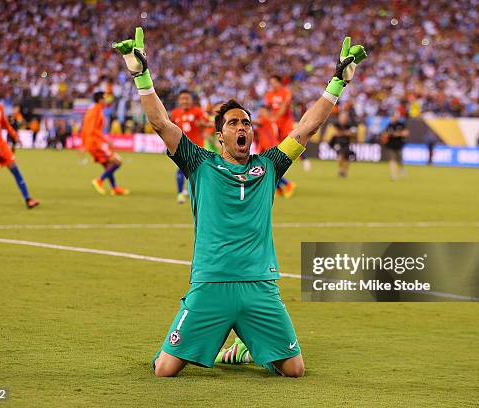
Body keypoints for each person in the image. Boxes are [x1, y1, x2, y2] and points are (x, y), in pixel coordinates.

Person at [114, 27, 366, 377]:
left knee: (295, 370)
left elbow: (305, 128)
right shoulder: (199, 163)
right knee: (164, 370)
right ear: (220, 137)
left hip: (259, 285)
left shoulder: (270, 166)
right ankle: (214, 340)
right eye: (233, 123)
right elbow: (160, 123)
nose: (241, 126)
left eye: (246, 122)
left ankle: (242, 350)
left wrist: (337, 83)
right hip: (211, 283)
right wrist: (141, 76)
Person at [82, 91, 129, 196]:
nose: (106, 100)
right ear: (100, 100)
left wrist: (84, 144)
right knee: (117, 162)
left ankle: (114, 188)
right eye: (105, 98)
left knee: (108, 165)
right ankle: (99, 180)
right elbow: (93, 130)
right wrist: (106, 140)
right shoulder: (96, 111)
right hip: (95, 143)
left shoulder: (94, 110)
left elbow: (86, 128)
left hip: (92, 142)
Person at [170, 90, 210, 204]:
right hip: (182, 147)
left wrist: (202, 124)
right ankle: (180, 194)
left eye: (187, 98)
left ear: (191, 100)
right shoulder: (175, 113)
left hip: (197, 148)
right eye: (182, 98)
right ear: (179, 100)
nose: (185, 101)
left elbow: (208, 123)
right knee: (181, 169)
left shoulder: (198, 111)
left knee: (196, 172)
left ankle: (192, 192)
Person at [264, 77, 297, 196]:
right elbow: (267, 109)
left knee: (276, 158)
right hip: (273, 128)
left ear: (279, 82)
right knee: (272, 158)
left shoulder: (286, 92)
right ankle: (278, 185)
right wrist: (270, 119)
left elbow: (284, 107)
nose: (272, 84)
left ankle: (283, 184)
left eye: (273, 82)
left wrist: (274, 118)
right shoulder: (268, 94)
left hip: (285, 128)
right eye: (270, 82)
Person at [254, 106, 294, 197]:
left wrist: (241, 119)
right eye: (260, 111)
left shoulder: (265, 120)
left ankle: (288, 184)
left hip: (271, 149)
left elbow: (256, 122)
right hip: (270, 148)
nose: (260, 113)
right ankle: (278, 189)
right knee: (269, 171)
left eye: (262, 111)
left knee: (268, 171)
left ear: (268, 112)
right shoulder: (270, 122)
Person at [329, 108, 358, 178]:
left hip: (346, 143)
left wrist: (342, 133)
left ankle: (343, 171)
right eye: (342, 118)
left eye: (344, 118)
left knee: (346, 158)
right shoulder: (336, 124)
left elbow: (353, 133)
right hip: (337, 143)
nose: (343, 119)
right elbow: (334, 133)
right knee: (341, 157)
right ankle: (342, 170)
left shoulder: (350, 124)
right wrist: (344, 133)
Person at [381, 111, 409, 180]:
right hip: (390, 145)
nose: (394, 118)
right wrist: (389, 135)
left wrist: (397, 134)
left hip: (399, 145)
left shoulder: (401, 124)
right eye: (393, 117)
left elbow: (406, 133)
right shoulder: (389, 125)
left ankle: (402, 170)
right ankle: (393, 175)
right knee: (392, 160)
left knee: (400, 160)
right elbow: (385, 134)